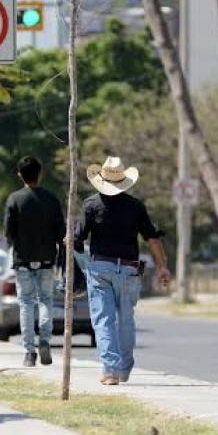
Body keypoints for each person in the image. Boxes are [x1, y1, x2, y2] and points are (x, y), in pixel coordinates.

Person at [74, 156, 171, 385]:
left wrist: (74, 254)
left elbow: (77, 239)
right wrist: (162, 266)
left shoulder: (91, 204)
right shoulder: (135, 206)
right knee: (126, 320)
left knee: (104, 321)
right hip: (128, 270)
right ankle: (124, 369)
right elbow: (152, 238)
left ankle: (110, 371)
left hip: (99, 269)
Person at [4, 156, 65, 367]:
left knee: (26, 303)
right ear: (41, 174)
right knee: (46, 300)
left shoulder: (14, 199)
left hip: (22, 260)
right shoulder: (51, 199)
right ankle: (45, 341)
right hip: (48, 259)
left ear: (20, 175)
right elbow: (61, 234)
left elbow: (8, 233)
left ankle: (29, 352)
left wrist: (18, 244)